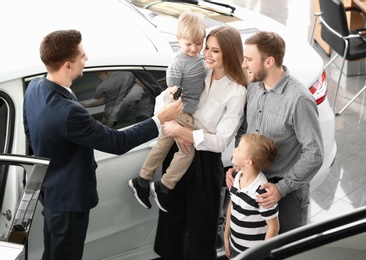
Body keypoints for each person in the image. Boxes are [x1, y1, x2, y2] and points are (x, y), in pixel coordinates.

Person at [22, 29, 183, 260]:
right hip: (69, 202)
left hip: (51, 192)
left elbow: (29, 131)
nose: (86, 60)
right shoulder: (68, 112)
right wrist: (160, 119)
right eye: (82, 56)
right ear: (68, 65)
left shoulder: (36, 88)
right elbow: (118, 142)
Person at [153, 25, 248, 260]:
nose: (206, 53)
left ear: (229, 52)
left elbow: (220, 142)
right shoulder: (199, 71)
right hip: (178, 154)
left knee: (200, 234)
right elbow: (161, 99)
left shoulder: (236, 91)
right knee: (171, 227)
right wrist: (170, 124)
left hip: (204, 165)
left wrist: (181, 131)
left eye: (214, 51)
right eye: (207, 47)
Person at [226, 31, 324, 234]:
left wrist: (282, 189)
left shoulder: (299, 100)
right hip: (252, 183)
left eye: (249, 59)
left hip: (285, 194)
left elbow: (314, 154)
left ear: (269, 61)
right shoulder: (253, 87)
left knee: (284, 250)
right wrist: (240, 165)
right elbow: (245, 131)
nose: (244, 65)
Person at [128, 11, 207, 212]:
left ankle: (143, 180)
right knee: (187, 152)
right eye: (189, 44)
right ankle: (164, 186)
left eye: (199, 43)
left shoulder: (201, 58)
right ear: (179, 39)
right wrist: (177, 124)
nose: (194, 48)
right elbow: (173, 93)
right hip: (180, 112)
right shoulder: (177, 64)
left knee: (162, 146)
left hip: (183, 112)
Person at [224, 133, 279, 259]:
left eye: (238, 149)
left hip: (253, 254)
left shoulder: (262, 192)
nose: (234, 149)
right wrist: (226, 237)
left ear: (249, 162)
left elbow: (273, 227)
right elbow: (232, 206)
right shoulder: (237, 177)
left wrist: (263, 255)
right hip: (234, 247)